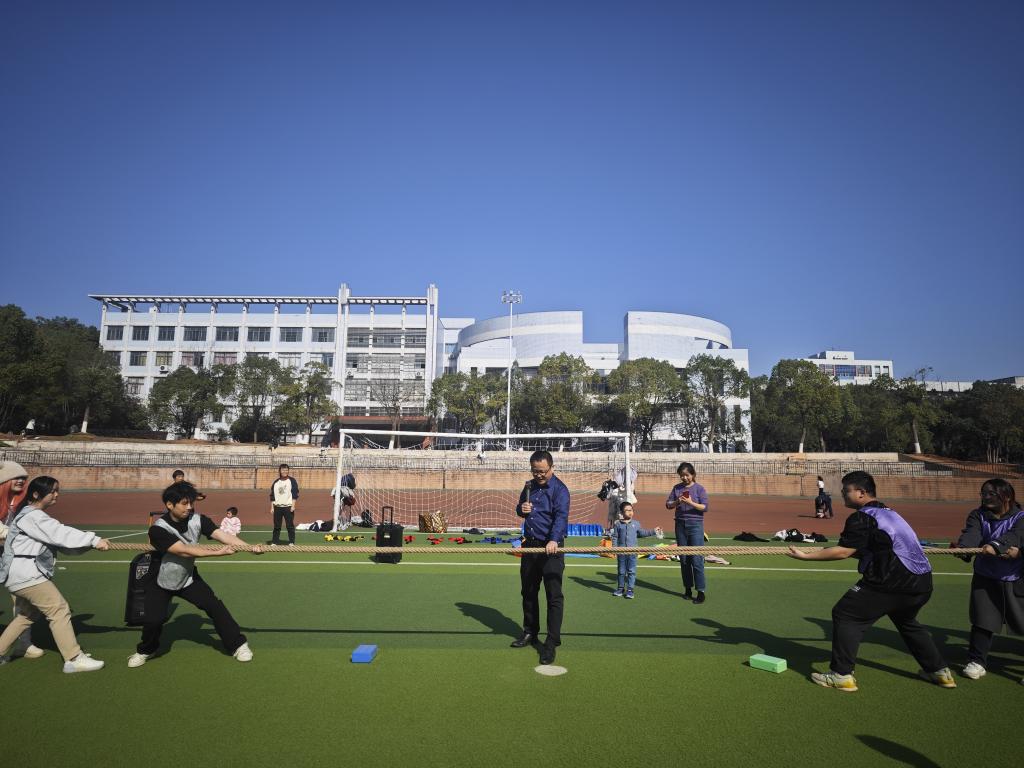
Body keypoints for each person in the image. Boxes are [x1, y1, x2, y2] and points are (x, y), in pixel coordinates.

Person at [786, 470, 956, 692]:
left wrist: (806, 556)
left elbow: (844, 551)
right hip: (922, 583)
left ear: (861, 492)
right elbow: (879, 547)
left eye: (846, 491)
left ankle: (841, 675)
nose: (843, 495)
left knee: (845, 614)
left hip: (891, 581)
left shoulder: (862, 517)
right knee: (907, 622)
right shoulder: (890, 513)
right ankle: (940, 672)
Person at [128, 481, 262, 668]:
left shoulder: (198, 520)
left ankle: (238, 645)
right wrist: (217, 553)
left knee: (214, 606)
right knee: (153, 620)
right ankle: (146, 650)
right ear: (169, 504)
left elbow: (223, 536)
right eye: (184, 503)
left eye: (191, 502)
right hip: (161, 580)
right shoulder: (158, 529)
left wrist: (249, 548)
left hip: (187, 578)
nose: (189, 507)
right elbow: (182, 551)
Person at [0, 476, 111, 673]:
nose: (57, 495)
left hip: (19, 575)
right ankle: (73, 659)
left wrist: (91, 544)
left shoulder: (31, 516)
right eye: (53, 491)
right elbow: (60, 533)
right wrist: (93, 540)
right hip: (27, 575)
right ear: (36, 494)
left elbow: (58, 542)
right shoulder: (33, 516)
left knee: (27, 615)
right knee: (59, 610)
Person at [954, 478, 1024, 681]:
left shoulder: (1020, 517)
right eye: (983, 493)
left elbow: (1016, 536)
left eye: (991, 493)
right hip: (985, 576)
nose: (985, 497)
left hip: (1016, 577)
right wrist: (965, 549)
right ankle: (977, 661)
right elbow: (972, 533)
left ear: (1007, 496)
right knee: (982, 620)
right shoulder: (978, 515)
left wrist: (997, 546)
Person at [511, 450, 569, 665]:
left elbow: (561, 517)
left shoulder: (560, 490)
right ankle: (530, 632)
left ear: (552, 468)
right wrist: (521, 509)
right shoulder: (529, 486)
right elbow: (520, 510)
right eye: (535, 471)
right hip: (530, 547)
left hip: (551, 548)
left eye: (543, 471)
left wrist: (553, 540)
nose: (539, 475)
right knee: (528, 591)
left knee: (554, 595)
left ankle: (552, 642)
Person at [0, 461, 44, 662]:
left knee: (21, 600)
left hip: (10, 556)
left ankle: (24, 644)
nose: (20, 481)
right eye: (15, 477)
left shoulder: (22, 503)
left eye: (23, 478)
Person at [666, 462, 710, 603]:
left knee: (697, 559)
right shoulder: (677, 488)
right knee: (684, 559)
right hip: (680, 526)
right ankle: (688, 588)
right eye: (682, 475)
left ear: (693, 474)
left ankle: (701, 591)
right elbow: (668, 504)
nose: (684, 478)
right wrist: (677, 501)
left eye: (687, 475)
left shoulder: (699, 489)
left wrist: (690, 502)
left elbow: (704, 507)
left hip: (695, 526)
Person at [610, 502, 662, 599]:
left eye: (631, 510)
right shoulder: (618, 524)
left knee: (631, 571)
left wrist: (653, 531)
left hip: (633, 552)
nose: (630, 512)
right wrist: (614, 548)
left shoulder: (636, 524)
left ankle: (630, 590)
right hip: (621, 552)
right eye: (627, 510)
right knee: (621, 571)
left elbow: (642, 533)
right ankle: (620, 588)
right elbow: (615, 537)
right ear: (621, 512)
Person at [268, 463, 299, 546]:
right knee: (277, 526)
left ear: (288, 471)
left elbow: (295, 493)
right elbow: (272, 496)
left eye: (286, 470)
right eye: (283, 470)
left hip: (288, 507)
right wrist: (272, 507)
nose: (285, 471)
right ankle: (274, 541)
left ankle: (291, 542)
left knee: (290, 525)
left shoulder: (292, 481)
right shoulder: (276, 482)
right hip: (277, 507)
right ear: (279, 471)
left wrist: (293, 506)